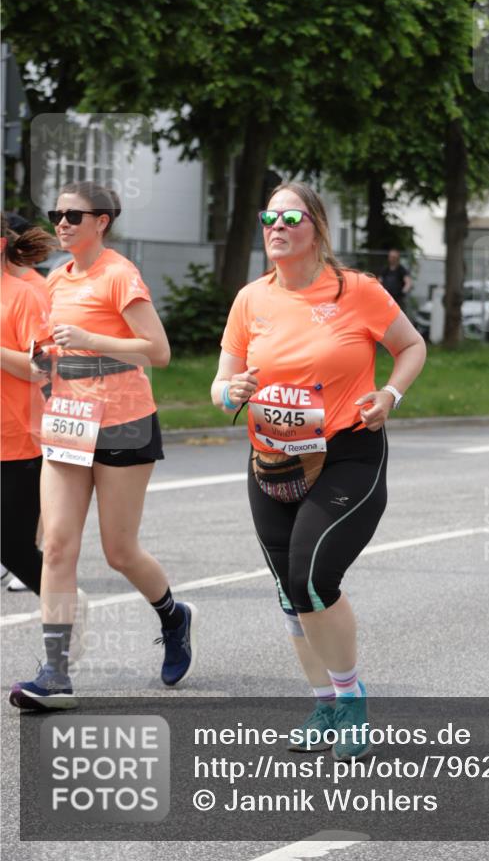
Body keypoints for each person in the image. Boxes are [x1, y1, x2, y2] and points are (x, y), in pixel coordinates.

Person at [211, 181, 426, 760]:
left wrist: (390, 394)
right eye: (268, 216)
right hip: (272, 459)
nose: (276, 226)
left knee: (311, 578)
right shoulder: (251, 299)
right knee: (288, 592)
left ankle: (351, 697)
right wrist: (230, 388)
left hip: (347, 454)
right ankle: (324, 705)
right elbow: (220, 383)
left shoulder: (358, 291)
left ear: (317, 229)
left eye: (290, 217)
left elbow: (411, 346)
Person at [9, 182, 197, 711]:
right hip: (68, 423)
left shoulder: (119, 275)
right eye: (57, 214)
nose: (62, 223)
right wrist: (38, 359)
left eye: (74, 215)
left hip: (123, 425)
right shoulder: (54, 280)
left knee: (119, 551)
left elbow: (157, 351)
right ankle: (55, 671)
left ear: (103, 221)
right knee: (60, 546)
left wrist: (93, 340)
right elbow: (46, 358)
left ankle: (172, 615)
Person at [1, 214, 53, 596]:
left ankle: (66, 608)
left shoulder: (23, 295)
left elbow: (41, 368)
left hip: (14, 442)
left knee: (14, 547)